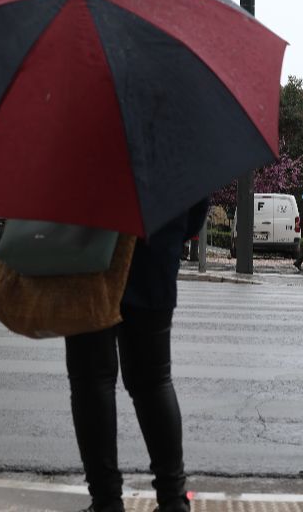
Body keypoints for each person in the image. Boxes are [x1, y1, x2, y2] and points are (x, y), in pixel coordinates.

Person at [66, 198, 209, 512]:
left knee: (91, 380)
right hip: (155, 247)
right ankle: (173, 499)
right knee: (153, 380)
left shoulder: (78, 146)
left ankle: (106, 502)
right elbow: (196, 200)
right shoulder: (175, 146)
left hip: (88, 244)